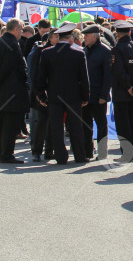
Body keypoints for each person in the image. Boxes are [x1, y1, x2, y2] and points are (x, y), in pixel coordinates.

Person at [35, 22, 90, 164]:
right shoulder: (78, 53)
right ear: (70, 38)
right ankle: (79, 155)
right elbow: (84, 78)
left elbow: (41, 77)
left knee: (56, 127)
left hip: (54, 96)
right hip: (74, 96)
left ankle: (60, 156)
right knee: (76, 127)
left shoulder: (47, 53)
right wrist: (85, 96)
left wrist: (41, 95)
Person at [110, 20, 133, 162]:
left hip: (122, 92)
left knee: (123, 124)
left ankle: (127, 153)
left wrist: (128, 86)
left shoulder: (117, 50)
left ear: (117, 33)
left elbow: (118, 71)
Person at [0, 19, 29, 163]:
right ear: (16, 29)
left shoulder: (2, 41)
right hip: (11, 91)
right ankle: (6, 154)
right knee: (10, 126)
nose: (22, 32)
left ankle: (3, 153)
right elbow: (11, 67)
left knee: (3, 124)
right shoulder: (12, 44)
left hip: (4, 91)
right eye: (21, 29)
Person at [81, 24, 112, 161]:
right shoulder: (84, 51)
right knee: (85, 124)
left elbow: (108, 76)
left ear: (95, 36)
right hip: (86, 95)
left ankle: (102, 151)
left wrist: (103, 95)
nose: (84, 38)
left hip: (98, 94)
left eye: (87, 36)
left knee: (101, 124)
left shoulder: (105, 51)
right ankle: (88, 151)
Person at [27, 27, 57, 161]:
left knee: (52, 125)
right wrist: (38, 94)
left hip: (55, 93)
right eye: (56, 37)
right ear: (50, 38)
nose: (59, 39)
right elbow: (34, 75)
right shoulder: (39, 51)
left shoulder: (59, 51)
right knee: (39, 124)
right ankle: (36, 151)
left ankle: (49, 151)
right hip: (40, 94)